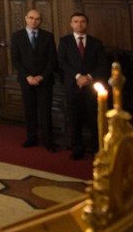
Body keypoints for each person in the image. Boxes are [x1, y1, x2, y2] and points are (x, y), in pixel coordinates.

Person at [58, 12, 108, 159]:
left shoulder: (96, 43)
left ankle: (96, 148)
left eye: (82, 22)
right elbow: (62, 62)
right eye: (76, 21)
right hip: (73, 86)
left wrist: (89, 78)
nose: (79, 24)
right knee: (74, 118)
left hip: (92, 87)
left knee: (94, 117)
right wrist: (78, 77)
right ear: (71, 24)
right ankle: (76, 147)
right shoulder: (65, 42)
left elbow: (103, 64)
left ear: (87, 24)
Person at [10, 9, 58, 151]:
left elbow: (52, 60)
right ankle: (31, 137)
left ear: (41, 21)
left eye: (37, 19)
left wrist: (42, 76)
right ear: (26, 18)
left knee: (45, 111)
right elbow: (15, 60)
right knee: (29, 110)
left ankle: (48, 140)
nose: (33, 21)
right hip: (26, 80)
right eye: (31, 18)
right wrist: (28, 77)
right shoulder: (17, 36)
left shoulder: (48, 37)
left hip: (45, 80)